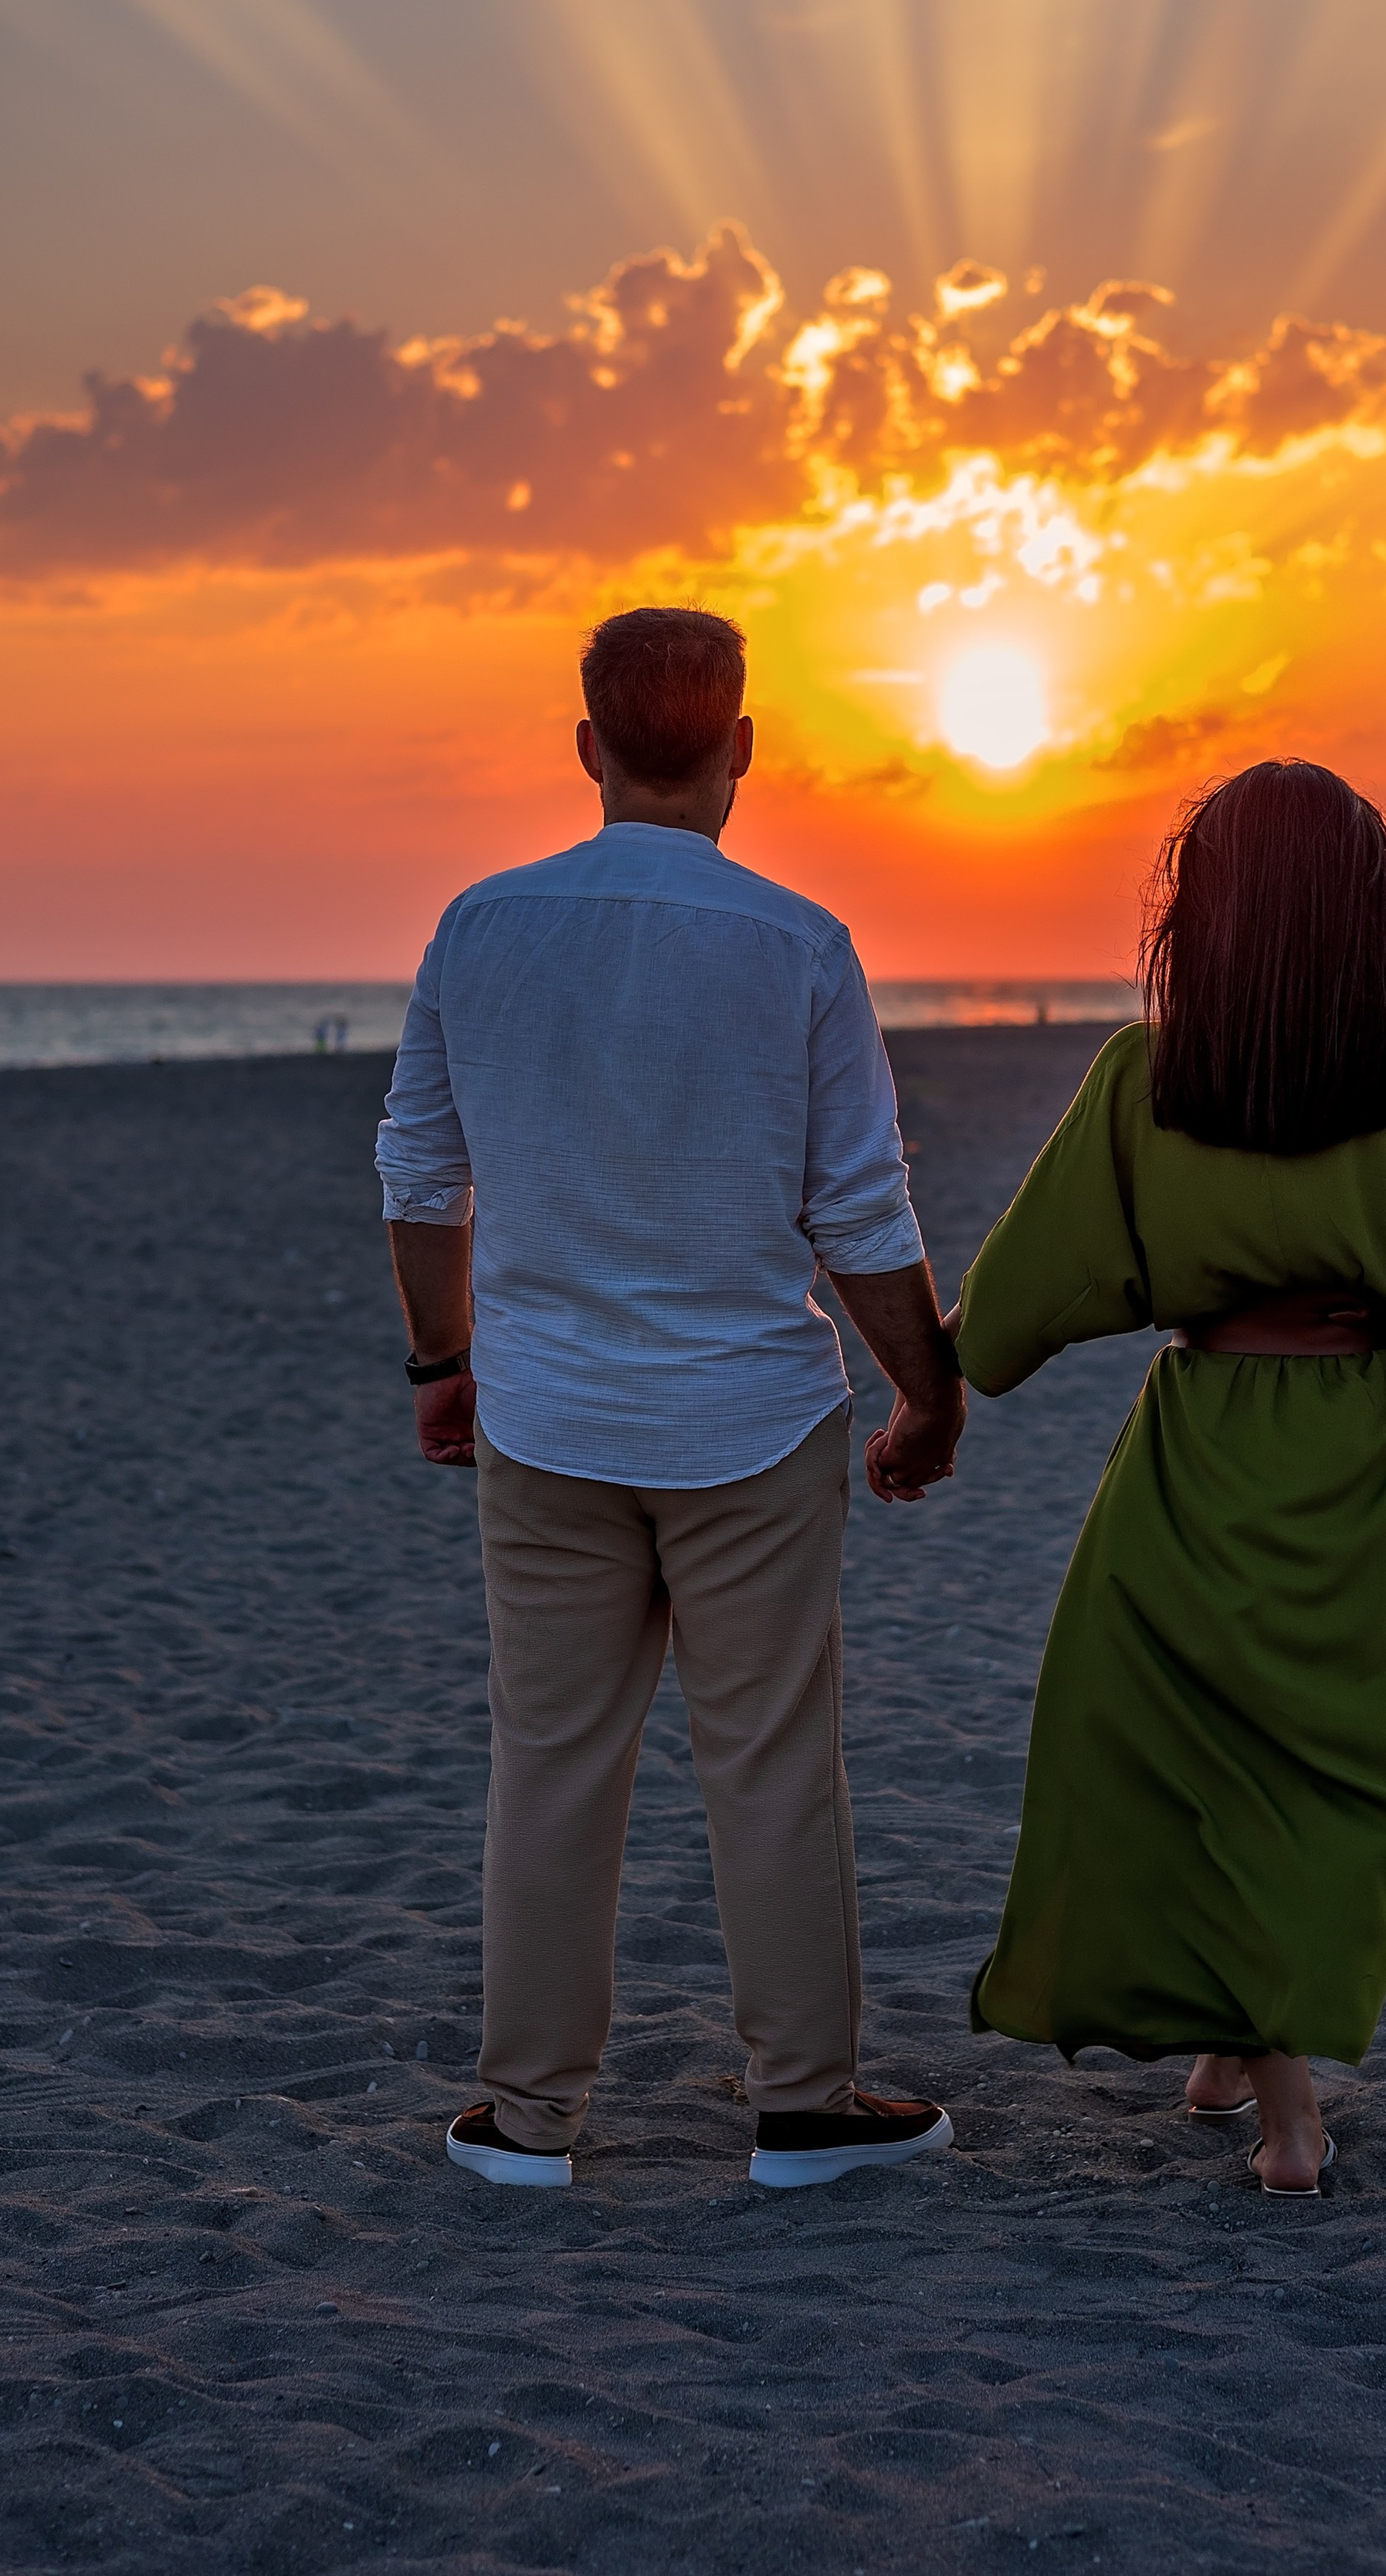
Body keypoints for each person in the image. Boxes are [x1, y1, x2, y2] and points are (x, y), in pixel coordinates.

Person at [375, 606, 965, 2191]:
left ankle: (525, 2116)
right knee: (770, 1756)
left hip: (546, 1414)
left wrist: (443, 1365)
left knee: (551, 1757)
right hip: (748, 1422)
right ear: (741, 746)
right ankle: (802, 2105)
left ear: (586, 748)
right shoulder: (798, 944)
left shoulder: (479, 927)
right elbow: (861, 1217)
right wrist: (932, 1393)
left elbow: (421, 1177)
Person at [952, 760, 1386, 2196]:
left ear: (1198, 914)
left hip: (1205, 1443)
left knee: (1174, 1752)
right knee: (1318, 1776)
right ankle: (1238, 2055)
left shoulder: (1148, 1079)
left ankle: (1287, 2113)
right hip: (1372, 1460)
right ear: (1368, 915)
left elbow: (1031, 1292)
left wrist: (934, 1384)